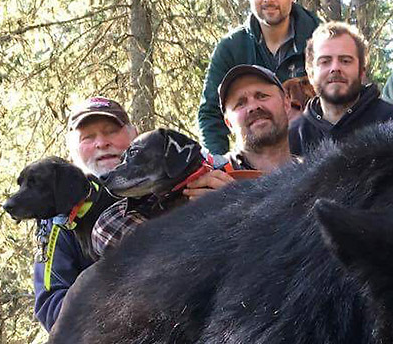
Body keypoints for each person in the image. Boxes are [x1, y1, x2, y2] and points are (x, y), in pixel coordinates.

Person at [93, 66, 295, 256]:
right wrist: (189, 224)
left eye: (262, 96)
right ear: (228, 123)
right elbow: (106, 229)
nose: (253, 106)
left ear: (286, 103)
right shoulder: (203, 175)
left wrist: (240, 212)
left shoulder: (314, 174)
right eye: (240, 103)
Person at [197, 0, 320, 155]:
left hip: (314, 161)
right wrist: (217, 166)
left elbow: (347, 103)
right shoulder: (231, 48)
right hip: (255, 164)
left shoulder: (321, 40)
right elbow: (210, 114)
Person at [32, 97, 138, 331]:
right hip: (107, 343)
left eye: (112, 131)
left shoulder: (169, 187)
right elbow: (51, 307)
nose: (102, 143)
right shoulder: (58, 217)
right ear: (73, 150)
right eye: (88, 137)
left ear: (134, 135)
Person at [289, 22, 393, 156]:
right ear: (310, 73)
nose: (335, 68)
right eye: (325, 61)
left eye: (345, 61)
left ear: (362, 71)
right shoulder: (294, 137)